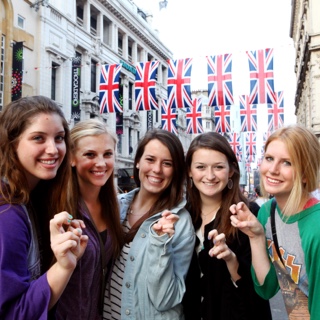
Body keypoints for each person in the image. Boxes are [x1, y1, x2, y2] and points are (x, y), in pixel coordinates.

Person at [0, 96, 88, 319]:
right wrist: (63, 267)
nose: (53, 149)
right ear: (11, 143)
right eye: (38, 138)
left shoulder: (31, 198)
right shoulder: (7, 212)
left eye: (59, 138)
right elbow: (14, 313)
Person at [103, 129, 195, 320]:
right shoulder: (115, 205)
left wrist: (159, 243)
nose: (157, 170)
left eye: (167, 163)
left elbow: (165, 299)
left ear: (175, 170)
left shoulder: (180, 222)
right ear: (138, 161)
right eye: (150, 159)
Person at [230, 124, 320, 319]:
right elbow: (266, 288)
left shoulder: (316, 226)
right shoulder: (266, 212)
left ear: (305, 173)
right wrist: (255, 236)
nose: (272, 169)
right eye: (269, 158)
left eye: (287, 162)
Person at [183, 132, 272, 320]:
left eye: (218, 167)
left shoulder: (248, 214)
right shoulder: (181, 215)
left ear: (231, 170)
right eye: (200, 167)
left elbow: (260, 289)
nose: (210, 176)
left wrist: (232, 260)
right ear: (190, 171)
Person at [54, 119, 124, 319]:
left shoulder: (114, 208)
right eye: (90, 154)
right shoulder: (58, 210)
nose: (101, 163)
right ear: (72, 159)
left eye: (107, 154)